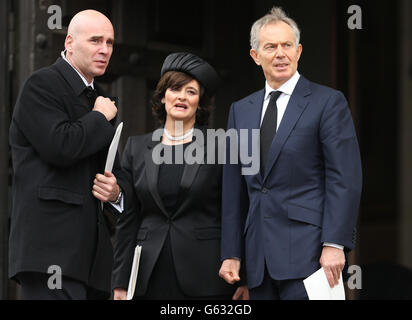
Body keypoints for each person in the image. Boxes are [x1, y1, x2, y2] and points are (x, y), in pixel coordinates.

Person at [219, 7, 362, 300]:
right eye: (270, 46)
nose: (280, 53)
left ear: (298, 51)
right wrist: (232, 253)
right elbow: (234, 188)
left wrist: (334, 243)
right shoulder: (240, 110)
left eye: (287, 45)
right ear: (255, 56)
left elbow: (344, 177)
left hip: (310, 256)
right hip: (258, 261)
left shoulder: (328, 102)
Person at [105, 52, 247, 300]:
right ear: (162, 97)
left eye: (191, 92)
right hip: (149, 276)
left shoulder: (221, 145)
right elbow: (129, 219)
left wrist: (244, 276)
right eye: (175, 89)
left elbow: (236, 211)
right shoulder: (136, 148)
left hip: (207, 276)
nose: (182, 96)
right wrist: (120, 281)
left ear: (200, 103)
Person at [8, 10, 124, 300]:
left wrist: (116, 193)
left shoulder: (102, 99)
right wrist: (99, 116)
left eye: (109, 43)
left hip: (92, 263)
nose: (104, 49)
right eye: (95, 40)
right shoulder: (42, 85)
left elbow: (112, 171)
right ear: (69, 43)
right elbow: (60, 147)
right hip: (51, 254)